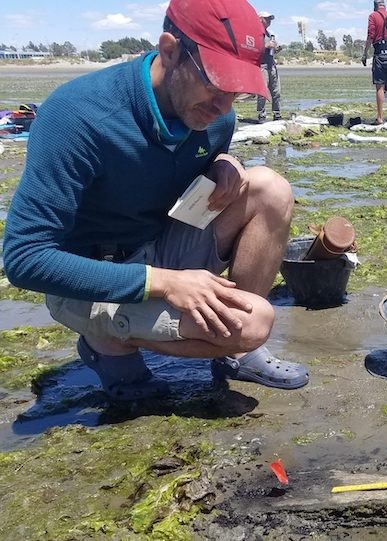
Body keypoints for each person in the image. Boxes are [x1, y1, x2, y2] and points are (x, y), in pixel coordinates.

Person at [2, 0, 309, 401]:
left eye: (237, 93)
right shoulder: (77, 116)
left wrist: (221, 162)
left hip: (158, 244)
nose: (224, 108)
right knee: (253, 324)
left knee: (269, 187)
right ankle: (106, 344)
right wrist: (163, 283)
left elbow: (170, 171)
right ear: (170, 50)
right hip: (90, 277)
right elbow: (25, 259)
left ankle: (234, 354)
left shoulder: (217, 118)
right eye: (216, 84)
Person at [256, 10, 281, 122]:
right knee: (262, 92)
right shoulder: (255, 33)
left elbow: (272, 51)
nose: (269, 21)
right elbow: (253, 49)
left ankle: (277, 113)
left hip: (272, 65)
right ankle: (261, 114)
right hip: (262, 66)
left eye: (270, 19)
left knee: (276, 91)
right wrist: (266, 45)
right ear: (260, 19)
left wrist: (277, 49)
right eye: (267, 18)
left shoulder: (269, 34)